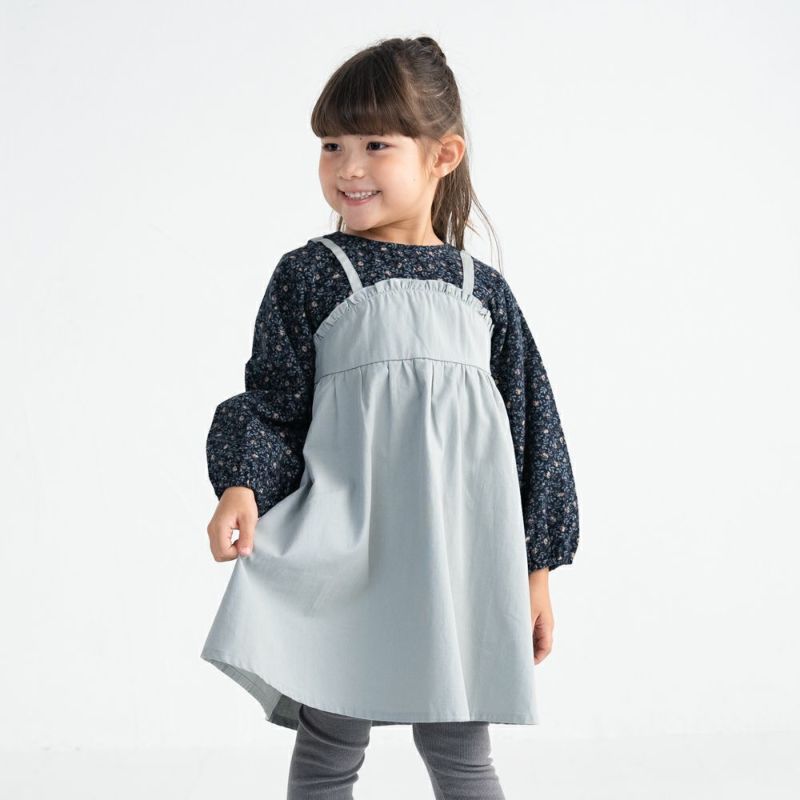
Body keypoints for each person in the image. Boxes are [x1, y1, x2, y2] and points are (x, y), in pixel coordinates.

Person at [200, 35, 580, 800]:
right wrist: (240, 484)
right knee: (330, 740)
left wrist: (536, 571)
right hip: (348, 556)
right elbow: (273, 403)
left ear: (443, 155)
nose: (348, 167)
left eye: (375, 144)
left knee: (461, 748)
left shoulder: (484, 294)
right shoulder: (312, 275)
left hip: (457, 562)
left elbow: (534, 435)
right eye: (332, 145)